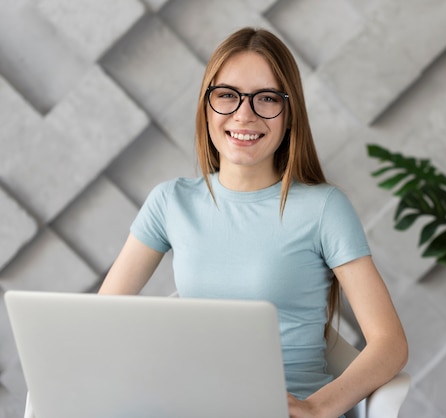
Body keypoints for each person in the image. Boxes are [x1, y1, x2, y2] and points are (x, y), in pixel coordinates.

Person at [99, 27, 408, 418]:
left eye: (266, 98)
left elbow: (390, 343)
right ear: (206, 106)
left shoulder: (324, 208)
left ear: (289, 112)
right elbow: (102, 322)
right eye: (227, 95)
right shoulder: (170, 202)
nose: (244, 115)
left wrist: (317, 407)